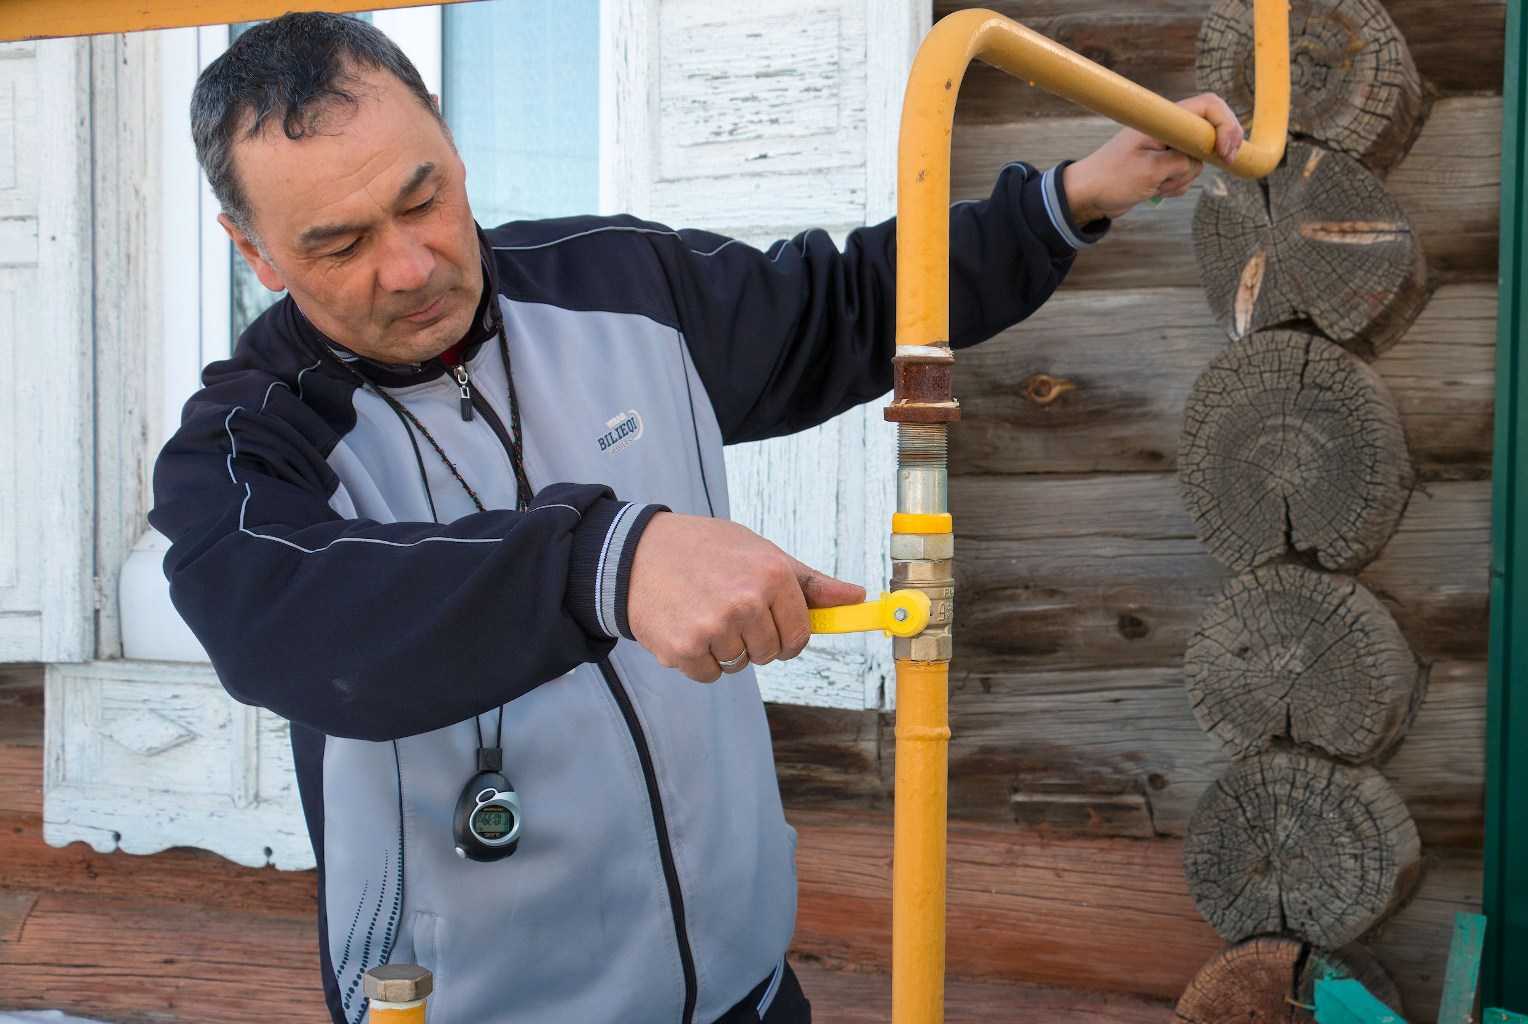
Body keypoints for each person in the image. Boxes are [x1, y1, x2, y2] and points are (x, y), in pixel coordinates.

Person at [150, 13, 1244, 1024]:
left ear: (453, 148)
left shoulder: (618, 281)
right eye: (340, 245)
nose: (411, 263)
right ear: (257, 254)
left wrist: (1066, 198)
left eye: (423, 198)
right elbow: (283, 615)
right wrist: (609, 563)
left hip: (746, 984)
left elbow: (849, 304)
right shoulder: (243, 443)